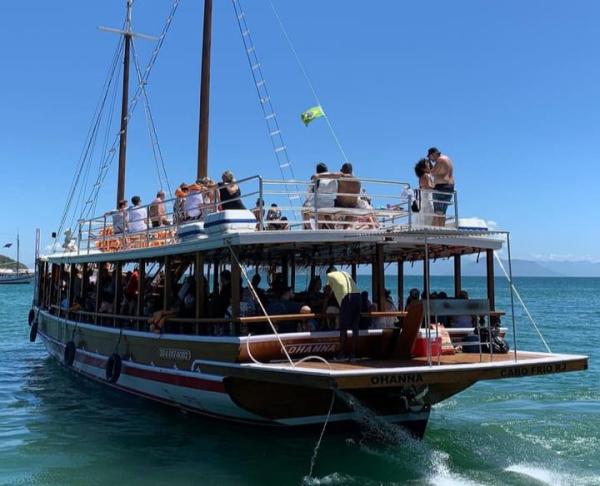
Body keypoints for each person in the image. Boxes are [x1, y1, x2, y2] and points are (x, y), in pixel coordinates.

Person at [325, 266, 361, 360]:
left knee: (343, 328)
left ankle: (341, 354)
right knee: (355, 326)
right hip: (357, 296)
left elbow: (328, 294)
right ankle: (353, 355)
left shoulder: (330, 275)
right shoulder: (345, 273)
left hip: (347, 297)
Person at [427, 147, 455, 226]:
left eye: (430, 157)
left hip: (441, 187)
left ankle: (436, 232)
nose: (431, 160)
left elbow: (432, 173)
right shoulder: (447, 158)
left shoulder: (440, 159)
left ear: (433, 154)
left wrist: (428, 167)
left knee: (438, 213)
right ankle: (441, 229)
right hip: (450, 187)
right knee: (442, 212)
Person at [413, 158, 434, 226]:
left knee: (425, 218)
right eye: (427, 164)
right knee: (429, 217)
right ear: (423, 168)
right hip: (428, 198)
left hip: (424, 199)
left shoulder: (421, 177)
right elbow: (430, 187)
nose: (429, 165)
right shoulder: (426, 176)